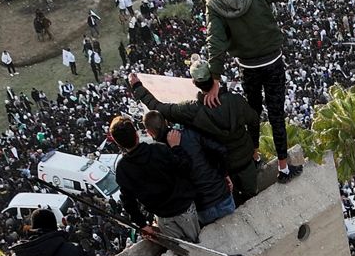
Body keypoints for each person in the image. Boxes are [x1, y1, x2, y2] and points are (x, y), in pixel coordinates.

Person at [203, 0, 345, 183]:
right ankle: (283, 167)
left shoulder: (214, 4)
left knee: (254, 112)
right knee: (276, 114)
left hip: (248, 66)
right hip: (272, 61)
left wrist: (214, 79)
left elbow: (215, 42)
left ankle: (255, 154)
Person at [128, 58, 261, 203]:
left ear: (194, 83)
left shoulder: (191, 110)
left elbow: (159, 108)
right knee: (253, 197)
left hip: (221, 170)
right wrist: (254, 147)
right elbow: (254, 122)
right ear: (214, 77)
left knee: (235, 205)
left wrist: (137, 87)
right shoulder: (235, 100)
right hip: (246, 160)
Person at [109, 115, 200, 242]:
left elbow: (128, 202)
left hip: (164, 217)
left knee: (184, 250)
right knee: (198, 244)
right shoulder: (159, 149)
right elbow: (185, 167)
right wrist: (176, 148)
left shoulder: (123, 169)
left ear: (117, 142)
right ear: (136, 135)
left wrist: (142, 224)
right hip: (184, 208)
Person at [141, 110, 236, 225]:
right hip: (220, 193)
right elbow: (220, 150)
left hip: (201, 205)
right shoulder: (189, 133)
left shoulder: (156, 155)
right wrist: (224, 174)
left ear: (149, 133)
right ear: (166, 122)